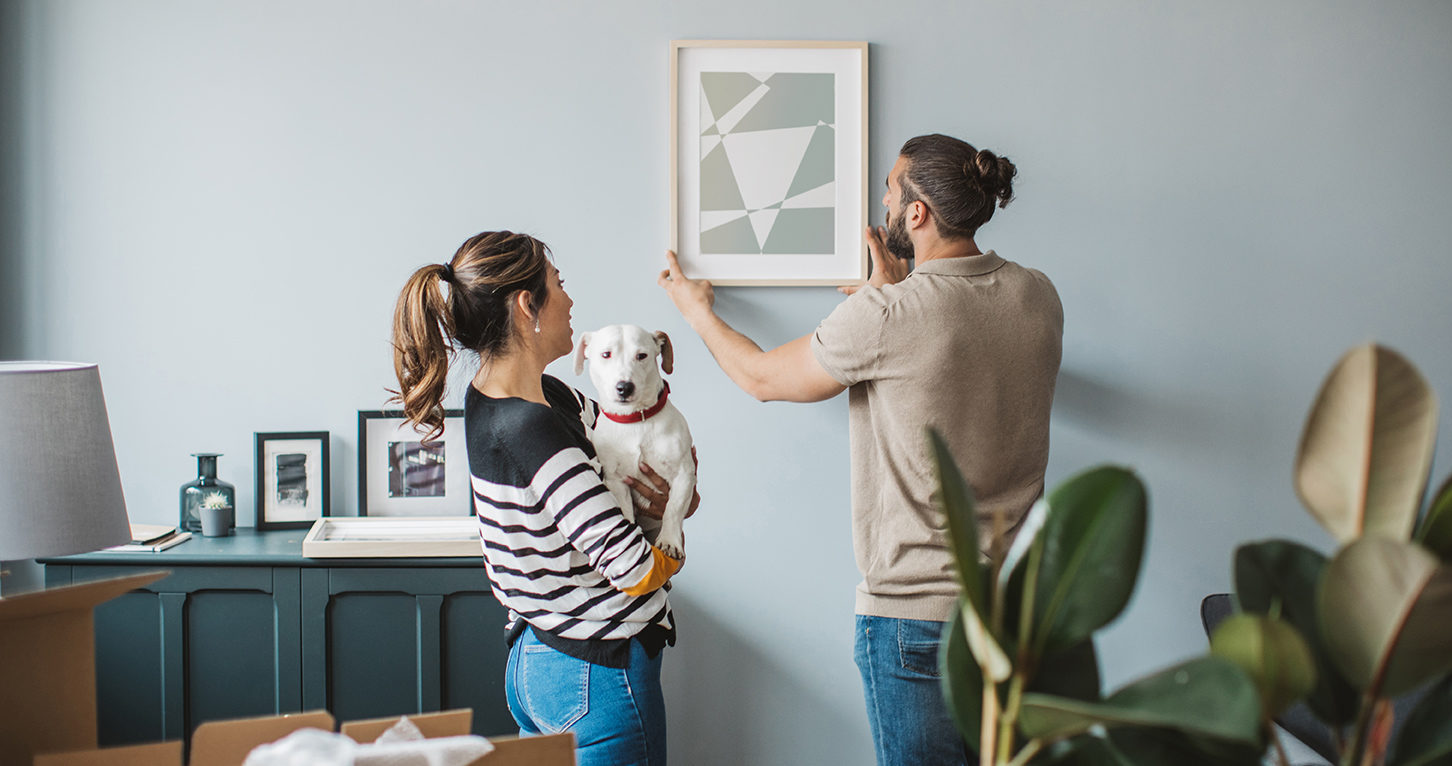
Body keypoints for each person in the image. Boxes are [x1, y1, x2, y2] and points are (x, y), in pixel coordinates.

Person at [657, 134, 1063, 766]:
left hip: (916, 622)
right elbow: (953, 343)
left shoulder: (890, 314)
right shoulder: (1039, 296)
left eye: (889, 191)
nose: (882, 202)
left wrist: (696, 311)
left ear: (918, 212)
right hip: (1013, 618)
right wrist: (891, 293)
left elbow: (763, 379)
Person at [391, 230, 697, 766]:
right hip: (595, 673)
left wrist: (663, 495)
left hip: (538, 659)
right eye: (560, 285)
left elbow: (629, 449)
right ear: (526, 304)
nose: (572, 301)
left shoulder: (519, 396)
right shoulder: (531, 429)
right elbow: (633, 570)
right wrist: (669, 538)